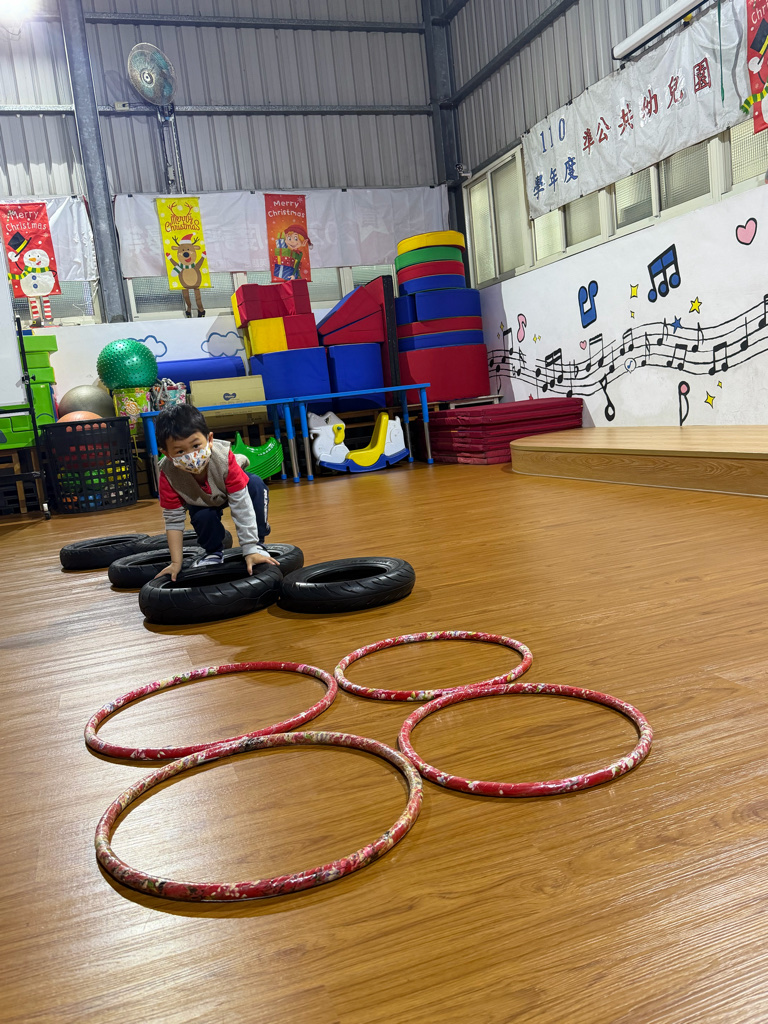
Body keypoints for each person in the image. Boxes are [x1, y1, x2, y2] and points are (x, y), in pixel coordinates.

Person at [153, 404, 279, 580]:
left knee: (256, 485)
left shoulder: (223, 458)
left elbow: (241, 505)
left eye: (196, 445)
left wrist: (250, 548)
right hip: (201, 499)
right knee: (202, 515)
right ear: (167, 454)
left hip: (232, 488)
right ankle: (213, 552)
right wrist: (176, 563)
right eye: (180, 451)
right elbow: (173, 520)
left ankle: (258, 543)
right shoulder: (168, 474)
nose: (191, 456)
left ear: (210, 439)